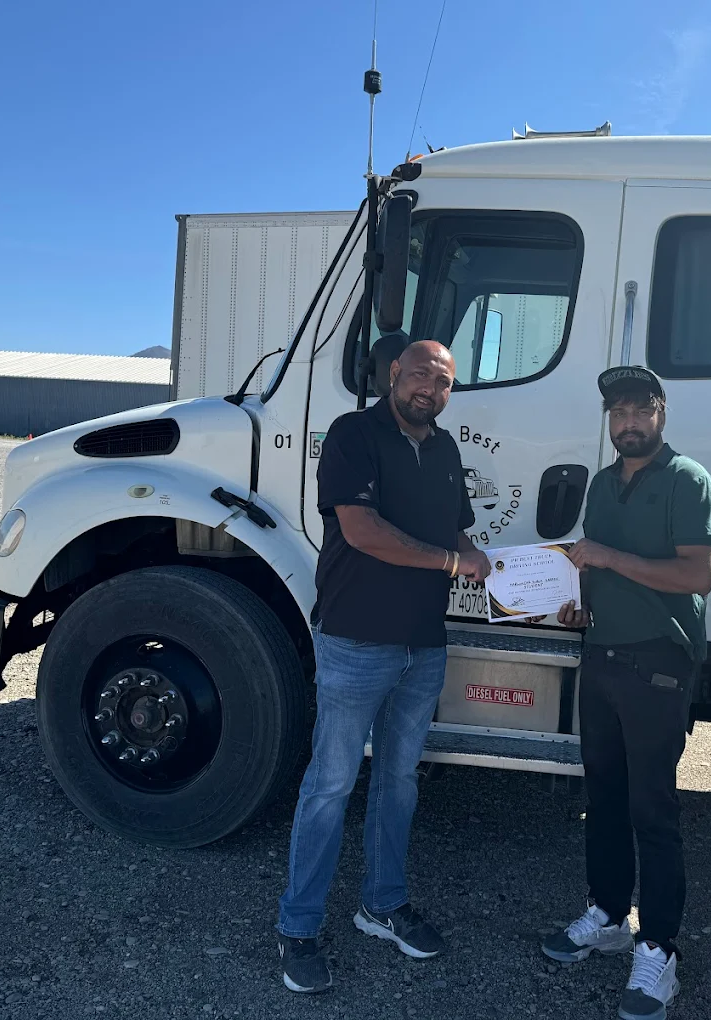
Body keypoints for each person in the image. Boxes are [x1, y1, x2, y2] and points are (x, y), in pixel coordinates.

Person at [277, 340, 491, 994]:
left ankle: (382, 904)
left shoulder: (446, 449)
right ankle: (298, 927)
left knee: (399, 781)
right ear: (394, 373)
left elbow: (455, 531)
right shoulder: (353, 435)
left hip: (424, 643)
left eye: (444, 381)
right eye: (421, 373)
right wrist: (453, 563)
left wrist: (483, 560)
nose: (431, 388)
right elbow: (363, 532)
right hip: (356, 640)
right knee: (332, 783)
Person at [540, 365, 711, 1020]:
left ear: (661, 413)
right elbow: (591, 569)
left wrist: (608, 558)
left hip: (658, 664)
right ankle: (610, 916)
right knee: (605, 801)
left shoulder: (688, 480)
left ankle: (659, 951)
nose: (629, 423)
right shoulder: (601, 484)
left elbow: (698, 576)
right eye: (618, 412)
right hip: (602, 657)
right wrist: (578, 607)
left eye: (640, 410)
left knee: (652, 809)